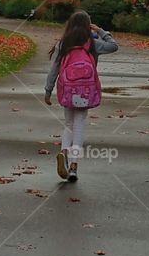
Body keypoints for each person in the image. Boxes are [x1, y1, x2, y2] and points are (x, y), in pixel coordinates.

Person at [44, 11, 118, 181]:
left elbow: (54, 69)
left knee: (69, 124)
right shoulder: (93, 43)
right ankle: (74, 166)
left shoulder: (63, 44)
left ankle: (64, 152)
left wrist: (48, 91)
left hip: (68, 90)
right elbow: (114, 45)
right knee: (79, 125)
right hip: (85, 92)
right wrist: (100, 30)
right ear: (88, 25)